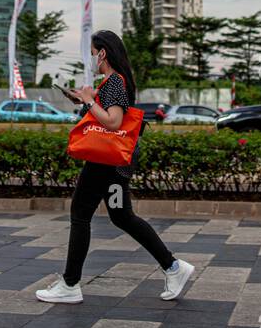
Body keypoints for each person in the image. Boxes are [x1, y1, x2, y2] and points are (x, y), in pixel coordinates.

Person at [36, 29, 194, 304]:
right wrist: (85, 101)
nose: (92, 58)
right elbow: (107, 115)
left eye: (94, 53)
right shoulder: (114, 82)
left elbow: (113, 122)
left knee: (80, 213)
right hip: (113, 160)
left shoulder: (115, 82)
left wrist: (88, 101)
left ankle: (70, 285)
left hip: (105, 160)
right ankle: (173, 267)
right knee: (121, 216)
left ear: (104, 53)